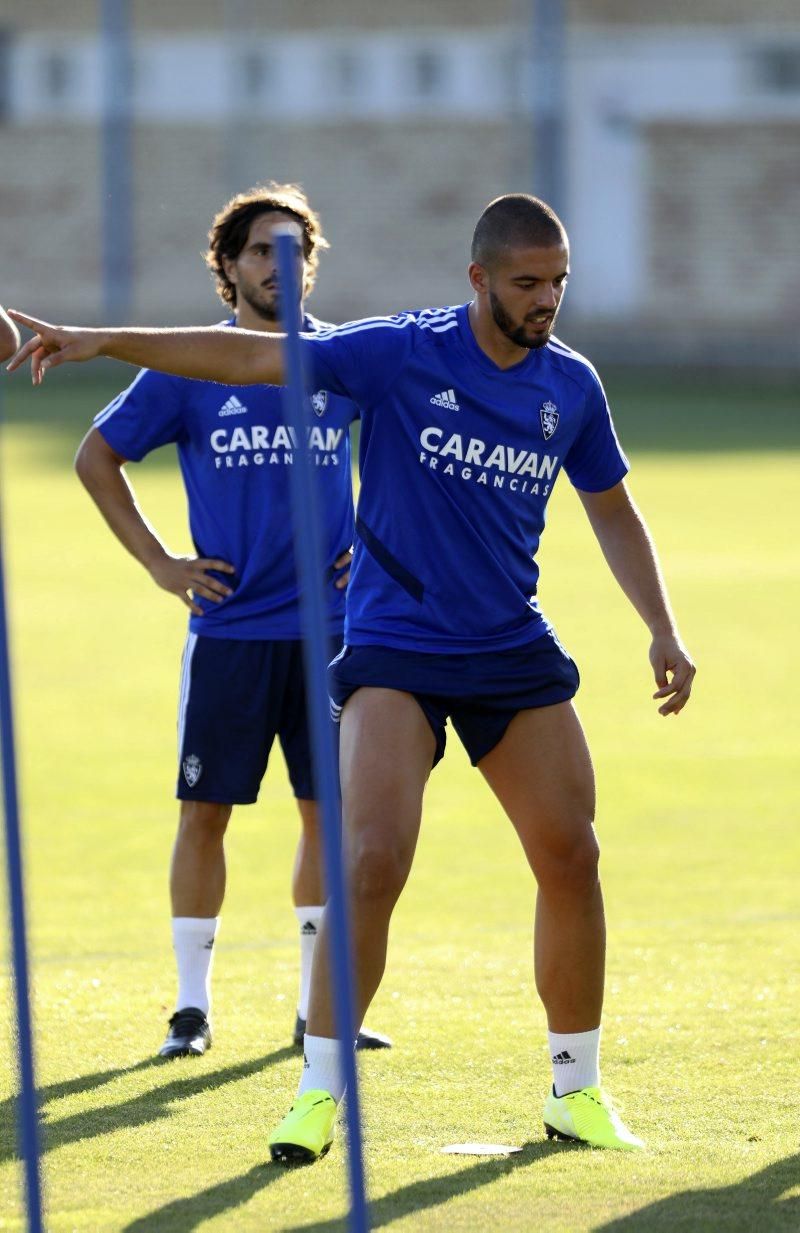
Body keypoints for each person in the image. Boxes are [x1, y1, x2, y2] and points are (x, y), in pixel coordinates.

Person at [7, 192, 695, 1154]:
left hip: (507, 645)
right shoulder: (401, 352)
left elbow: (612, 508)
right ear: (480, 280)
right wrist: (103, 340)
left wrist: (661, 625)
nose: (547, 301)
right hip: (396, 646)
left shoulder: (570, 387)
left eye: (559, 284)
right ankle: (320, 1089)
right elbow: (252, 359)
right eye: (528, 283)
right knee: (370, 860)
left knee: (572, 855)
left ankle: (574, 1090)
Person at [70, 184, 390, 1058]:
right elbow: (96, 455)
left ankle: (315, 1011)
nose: (279, 267)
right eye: (261, 251)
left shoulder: (344, 361)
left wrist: (372, 544)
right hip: (230, 635)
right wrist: (159, 563)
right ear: (228, 266)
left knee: (328, 816)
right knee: (204, 813)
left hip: (332, 637)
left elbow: (404, 451)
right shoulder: (190, 365)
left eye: (296, 252)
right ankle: (189, 1007)